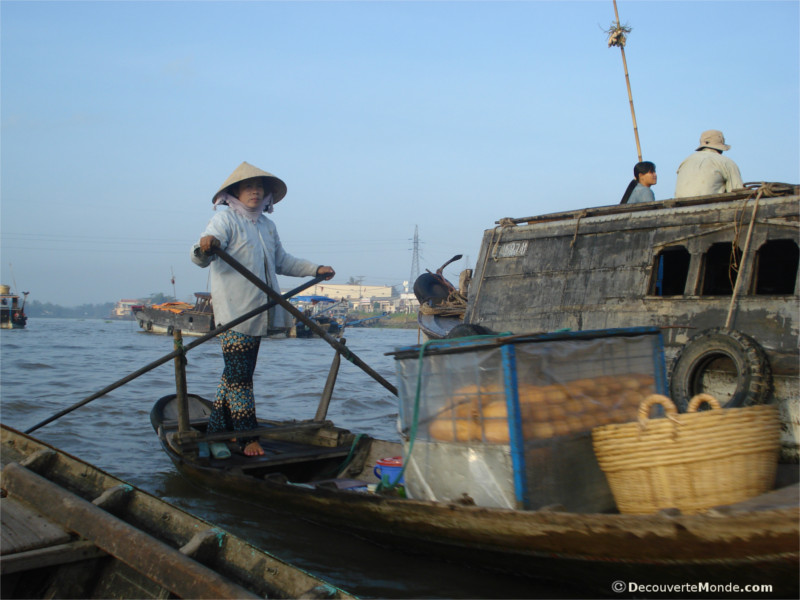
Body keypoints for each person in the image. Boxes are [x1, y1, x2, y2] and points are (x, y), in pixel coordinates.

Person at [191, 162, 335, 457]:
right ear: (235, 193)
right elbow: (200, 253)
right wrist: (206, 246)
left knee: (234, 375)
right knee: (240, 378)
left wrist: (315, 269)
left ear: (267, 195)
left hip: (260, 311)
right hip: (234, 312)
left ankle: (218, 432)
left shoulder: (268, 227)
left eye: (259, 188)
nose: (255, 192)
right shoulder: (225, 220)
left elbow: (283, 261)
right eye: (248, 188)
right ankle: (246, 438)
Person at [674, 130, 743, 198]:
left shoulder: (686, 161)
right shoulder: (727, 162)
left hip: (680, 207)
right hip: (712, 206)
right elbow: (738, 194)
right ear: (721, 144)